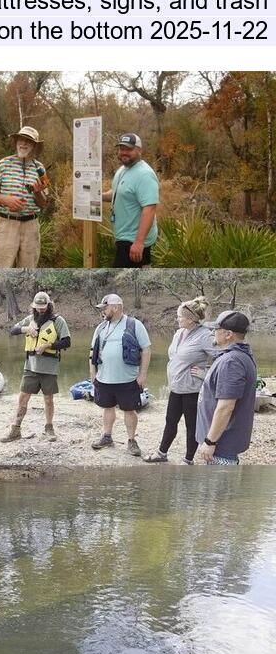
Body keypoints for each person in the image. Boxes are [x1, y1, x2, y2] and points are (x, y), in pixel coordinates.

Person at [144, 298, 214, 464]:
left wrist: (206, 372)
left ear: (191, 319)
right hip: (176, 388)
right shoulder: (178, 333)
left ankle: (188, 460)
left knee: (192, 426)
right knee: (170, 421)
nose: (177, 319)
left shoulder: (205, 336)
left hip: (193, 390)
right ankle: (162, 454)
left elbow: (224, 358)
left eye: (180, 317)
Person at [89, 294, 152, 456]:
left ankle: (131, 441)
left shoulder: (134, 324)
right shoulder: (101, 327)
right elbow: (92, 353)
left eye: (105, 308)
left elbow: (146, 349)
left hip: (128, 379)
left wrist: (142, 375)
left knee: (129, 410)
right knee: (107, 407)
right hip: (104, 378)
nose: (103, 311)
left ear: (115, 307)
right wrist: (93, 374)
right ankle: (107, 436)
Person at [5, 292, 71, 442]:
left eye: (44, 307)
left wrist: (48, 345)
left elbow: (67, 342)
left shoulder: (58, 321)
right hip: (30, 367)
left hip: (49, 368)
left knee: (48, 399)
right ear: (34, 306)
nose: (41, 310)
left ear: (49, 305)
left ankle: (49, 428)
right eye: (38, 307)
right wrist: (26, 329)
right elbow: (13, 330)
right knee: (23, 398)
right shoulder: (30, 320)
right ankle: (15, 430)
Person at [196, 310, 258, 465]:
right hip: (222, 444)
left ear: (228, 334)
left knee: (218, 489)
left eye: (216, 330)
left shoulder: (232, 362)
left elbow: (226, 407)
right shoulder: (239, 355)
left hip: (221, 447)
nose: (213, 333)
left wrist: (210, 442)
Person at [0, 126, 49, 268]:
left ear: (34, 146)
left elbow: (44, 204)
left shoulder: (40, 169)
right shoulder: (3, 164)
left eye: (29, 141)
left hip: (31, 227)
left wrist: (38, 192)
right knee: (0, 270)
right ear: (16, 142)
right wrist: (6, 200)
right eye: (21, 139)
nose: (24, 144)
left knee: (28, 271)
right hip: (6, 224)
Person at [103, 133, 159, 268]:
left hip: (133, 240)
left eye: (129, 149)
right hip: (123, 237)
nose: (124, 153)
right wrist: (97, 196)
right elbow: (118, 193)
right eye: (122, 149)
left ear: (139, 150)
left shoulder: (145, 174)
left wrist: (139, 242)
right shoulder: (123, 169)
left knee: (116, 284)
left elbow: (150, 209)